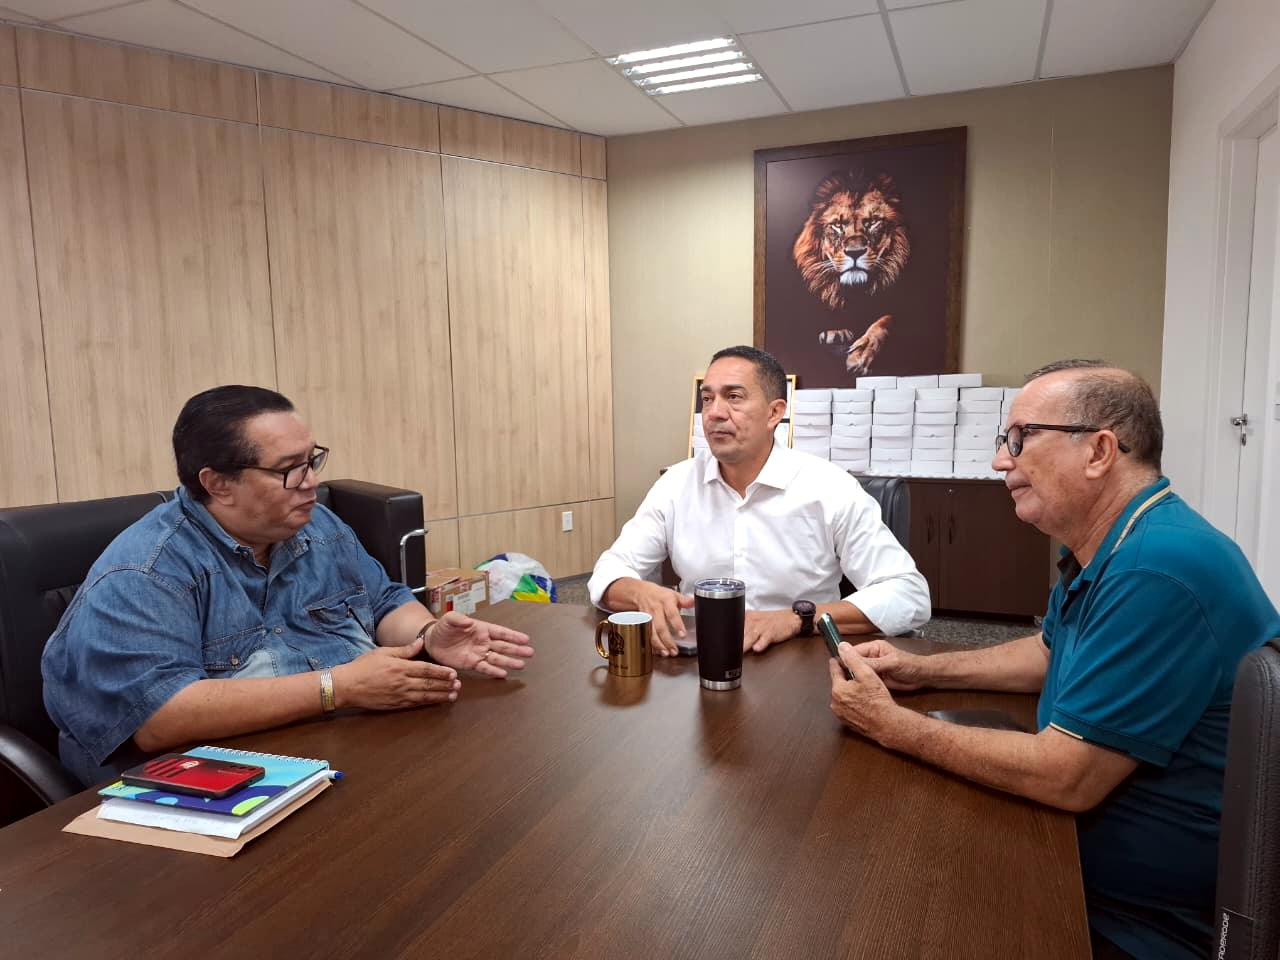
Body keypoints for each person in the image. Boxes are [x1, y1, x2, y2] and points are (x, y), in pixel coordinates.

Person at [826, 360, 1280, 960]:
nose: (1000, 461)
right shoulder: (1118, 543)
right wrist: (921, 669)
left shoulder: (1157, 568)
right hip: (1082, 860)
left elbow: (1066, 776)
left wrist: (890, 724)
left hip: (1142, 921)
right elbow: (1048, 652)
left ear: (1099, 452)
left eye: (1020, 438)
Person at [41, 385, 534, 785]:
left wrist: (427, 635)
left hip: (335, 754)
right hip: (208, 786)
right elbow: (158, 718)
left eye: (311, 461)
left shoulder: (316, 526)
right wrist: (337, 688)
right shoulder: (145, 571)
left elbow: (383, 601)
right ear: (217, 484)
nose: (310, 483)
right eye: (288, 470)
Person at [588, 345, 929, 656]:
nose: (714, 413)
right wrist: (639, 592)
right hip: (700, 660)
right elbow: (608, 572)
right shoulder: (676, 484)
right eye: (707, 398)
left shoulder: (829, 488)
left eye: (733, 397)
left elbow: (908, 593)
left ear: (774, 413)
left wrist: (796, 618)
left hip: (802, 661)